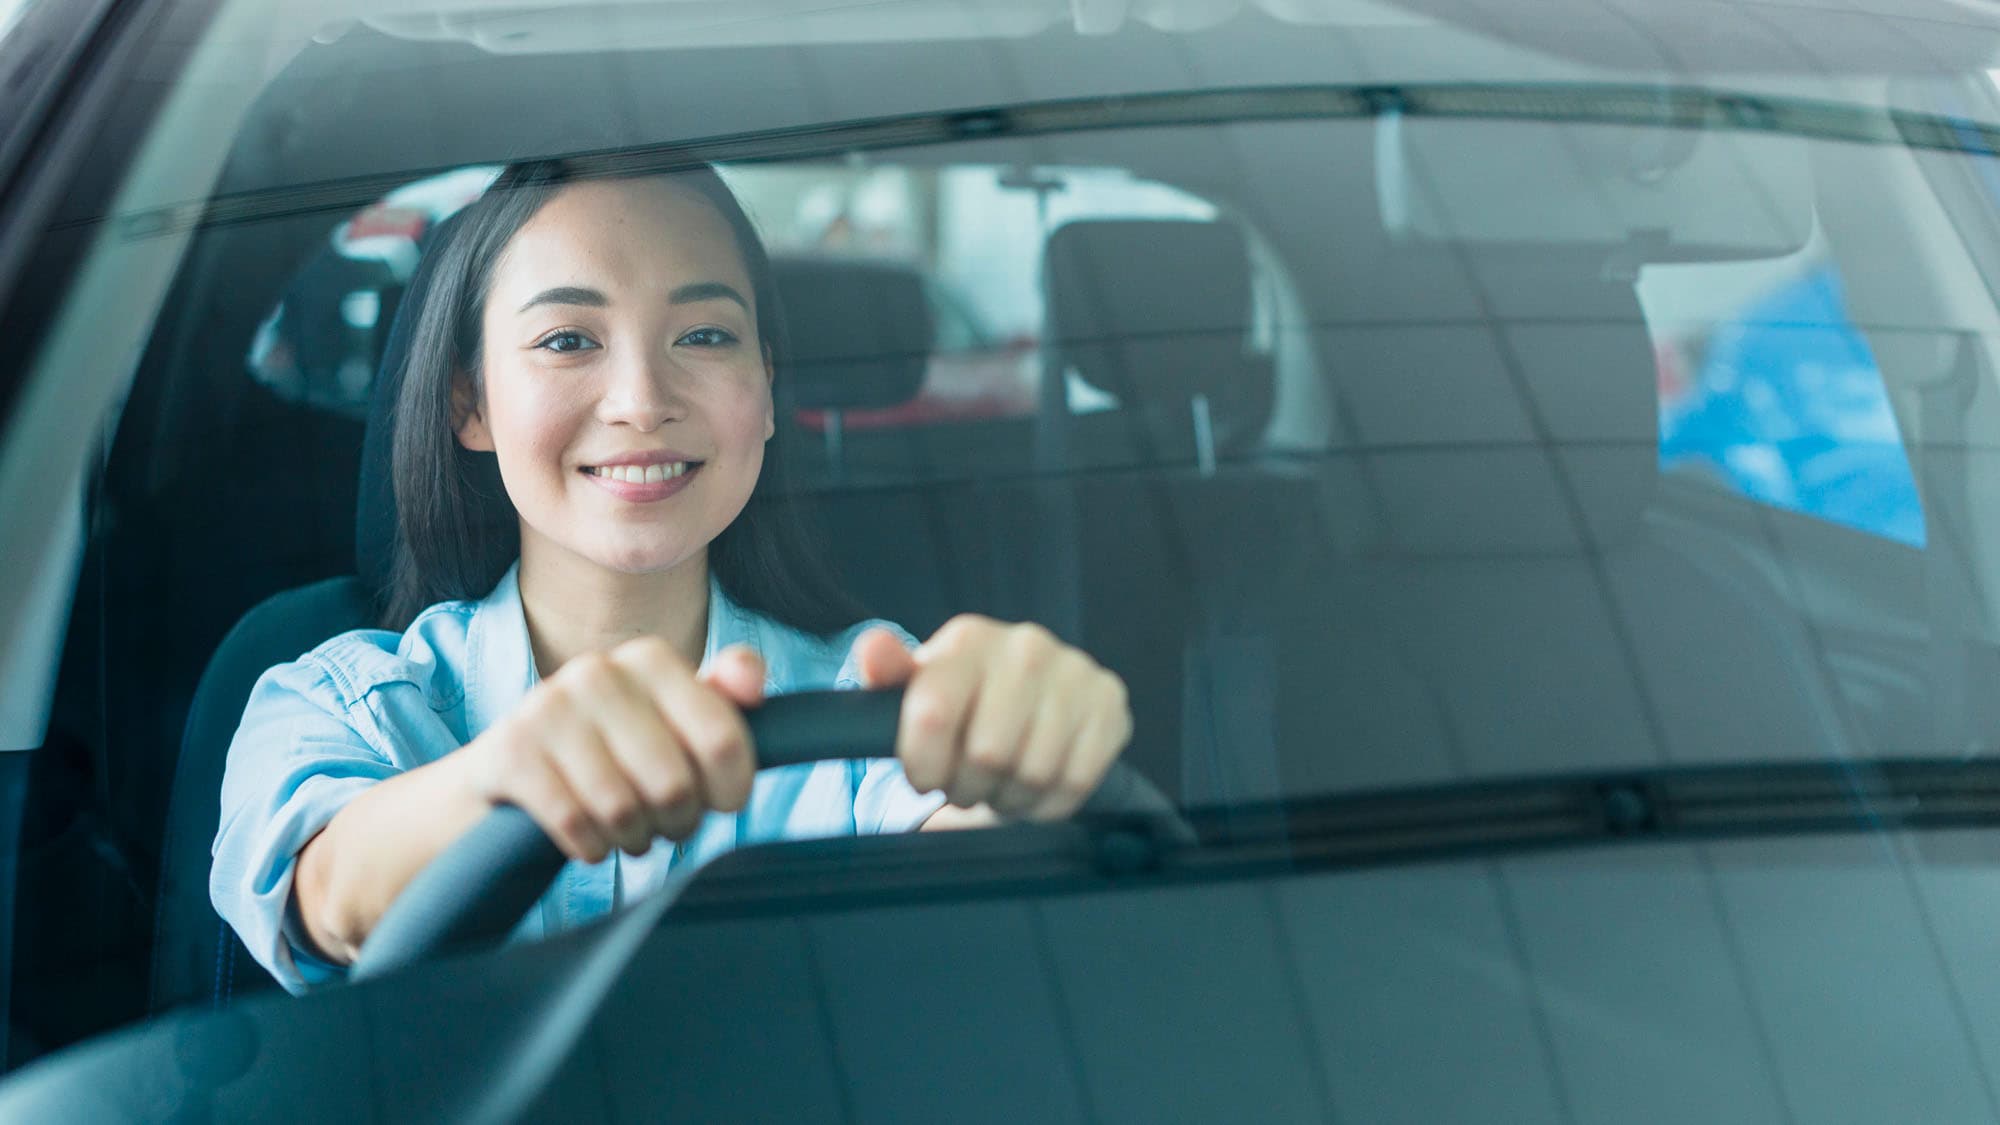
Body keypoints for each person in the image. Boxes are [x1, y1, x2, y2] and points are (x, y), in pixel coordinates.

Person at [210, 161, 1132, 994]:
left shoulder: (883, 700)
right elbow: (326, 894)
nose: (643, 400)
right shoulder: (343, 702)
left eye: (703, 334)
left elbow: (972, 889)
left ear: (766, 391)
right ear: (470, 401)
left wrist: (1029, 765)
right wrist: (514, 779)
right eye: (568, 340)